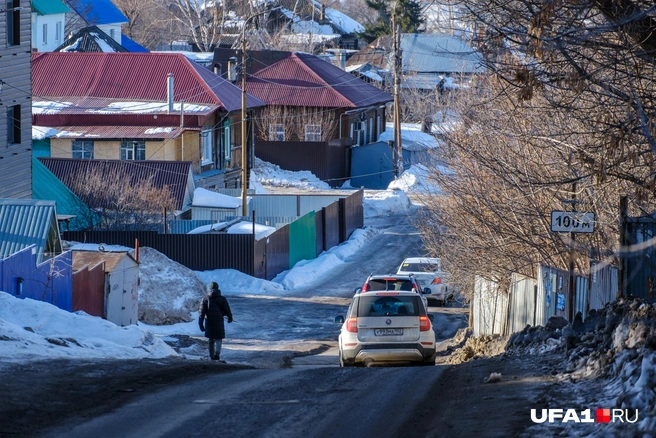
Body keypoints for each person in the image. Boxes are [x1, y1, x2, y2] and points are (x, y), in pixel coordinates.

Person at [199, 281, 233, 361]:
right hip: (219, 321)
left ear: (210, 289)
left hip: (209, 321)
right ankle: (217, 354)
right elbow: (227, 309)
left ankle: (211, 356)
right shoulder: (222, 299)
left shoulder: (205, 299)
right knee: (218, 339)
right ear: (218, 288)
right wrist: (230, 317)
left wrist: (200, 323)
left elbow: (202, 312)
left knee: (211, 339)